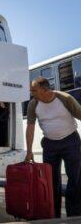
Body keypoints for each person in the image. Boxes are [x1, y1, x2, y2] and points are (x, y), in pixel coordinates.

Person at [25, 76, 81, 217]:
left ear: (45, 90)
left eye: (34, 90)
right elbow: (30, 127)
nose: (31, 93)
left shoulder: (65, 98)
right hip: (50, 144)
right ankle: (53, 215)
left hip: (71, 142)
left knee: (75, 179)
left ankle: (74, 215)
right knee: (50, 182)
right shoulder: (33, 104)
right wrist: (30, 151)